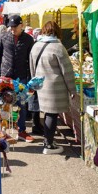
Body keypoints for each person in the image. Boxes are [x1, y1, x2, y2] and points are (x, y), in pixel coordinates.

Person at [29, 21, 76, 154]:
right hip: (55, 87)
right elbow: (67, 71)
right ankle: (48, 145)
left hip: (41, 85)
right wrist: (72, 89)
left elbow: (32, 67)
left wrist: (35, 83)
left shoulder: (36, 45)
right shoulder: (58, 47)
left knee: (48, 113)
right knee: (52, 114)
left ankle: (48, 141)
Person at [0, 14, 35, 141]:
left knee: (21, 104)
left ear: (21, 25)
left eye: (15, 27)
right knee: (4, 104)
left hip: (21, 76)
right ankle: (4, 130)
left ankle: (21, 130)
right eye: (10, 27)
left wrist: (30, 77)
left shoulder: (28, 39)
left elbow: (30, 59)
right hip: (5, 76)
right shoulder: (3, 37)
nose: (12, 30)